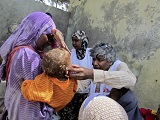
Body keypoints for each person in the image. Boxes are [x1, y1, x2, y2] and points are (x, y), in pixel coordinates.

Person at [0, 12, 69, 120]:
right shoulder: (28, 55)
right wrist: (60, 45)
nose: (50, 41)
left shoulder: (20, 50)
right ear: (36, 31)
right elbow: (41, 92)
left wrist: (55, 44)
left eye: (52, 39)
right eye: (49, 36)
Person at [67, 42, 142, 120]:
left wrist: (93, 74)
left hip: (110, 114)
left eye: (99, 59)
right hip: (95, 110)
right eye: (93, 59)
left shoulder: (118, 66)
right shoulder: (95, 68)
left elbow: (130, 79)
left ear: (110, 61)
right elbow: (82, 85)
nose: (94, 63)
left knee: (129, 96)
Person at [21, 48, 77, 112]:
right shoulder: (72, 80)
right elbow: (74, 88)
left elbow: (33, 93)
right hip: (65, 101)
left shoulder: (46, 81)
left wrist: (24, 84)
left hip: (53, 105)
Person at [58, 30, 93, 120]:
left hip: (85, 92)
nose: (73, 43)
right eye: (72, 40)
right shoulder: (71, 54)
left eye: (76, 40)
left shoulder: (90, 54)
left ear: (83, 41)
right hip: (72, 91)